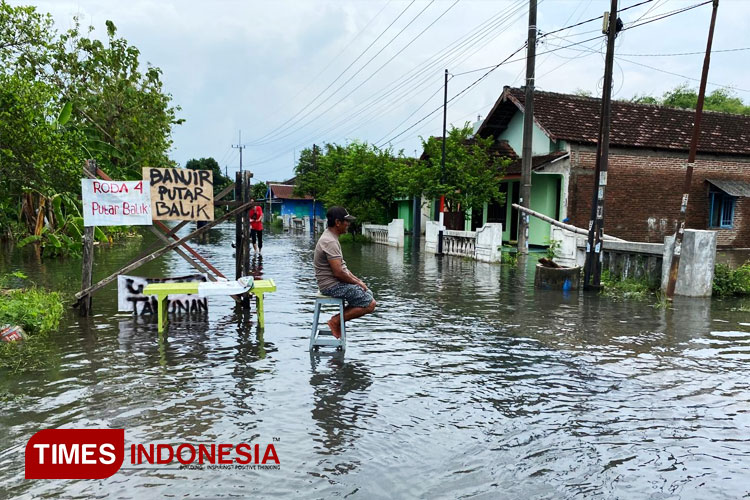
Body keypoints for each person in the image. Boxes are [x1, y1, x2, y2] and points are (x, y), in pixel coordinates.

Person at [313, 206, 376, 339]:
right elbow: (339, 273)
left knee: (367, 293)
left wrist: (359, 282)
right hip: (331, 286)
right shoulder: (330, 241)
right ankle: (336, 321)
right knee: (370, 304)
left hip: (335, 283)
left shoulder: (331, 238)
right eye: (346, 221)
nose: (348, 224)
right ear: (337, 222)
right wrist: (357, 283)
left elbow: (343, 269)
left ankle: (338, 320)